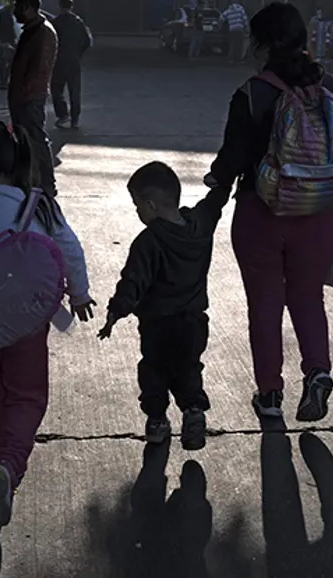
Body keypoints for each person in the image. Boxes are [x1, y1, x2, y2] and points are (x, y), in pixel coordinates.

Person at [205, 2, 333, 422]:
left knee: (265, 304)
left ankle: (269, 395)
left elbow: (232, 159)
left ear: (261, 44)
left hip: (261, 213)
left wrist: (215, 182)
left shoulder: (251, 94)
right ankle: (318, 371)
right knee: (308, 296)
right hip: (320, 216)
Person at [0, 120, 95, 527]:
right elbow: (70, 249)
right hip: (28, 322)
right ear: (17, 159)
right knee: (27, 396)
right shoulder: (37, 205)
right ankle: (9, 466)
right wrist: (79, 294)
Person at [98, 162, 231, 451]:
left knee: (154, 371)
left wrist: (116, 311)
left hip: (157, 325)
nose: (137, 212)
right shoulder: (200, 225)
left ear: (150, 205)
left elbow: (133, 280)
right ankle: (193, 413)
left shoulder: (148, 241)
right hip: (193, 322)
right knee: (189, 369)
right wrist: (224, 181)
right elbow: (214, 204)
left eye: (137, 205)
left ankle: (157, 421)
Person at [10, 0, 59, 197]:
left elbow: (38, 69)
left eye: (17, 7)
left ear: (27, 8)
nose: (14, 12)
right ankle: (31, 180)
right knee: (26, 140)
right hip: (23, 96)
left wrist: (22, 93)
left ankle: (46, 183)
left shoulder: (43, 32)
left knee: (36, 139)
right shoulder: (32, 30)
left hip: (30, 97)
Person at [51, 0, 93, 129]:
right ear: (72, 6)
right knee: (74, 91)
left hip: (59, 61)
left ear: (59, 6)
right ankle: (75, 119)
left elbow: (50, 41)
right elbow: (87, 41)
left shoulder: (55, 22)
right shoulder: (78, 22)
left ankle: (62, 114)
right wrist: (78, 52)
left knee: (56, 89)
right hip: (74, 60)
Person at [0, 1, 18, 90]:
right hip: (7, 41)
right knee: (8, 62)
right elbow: (8, 30)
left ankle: (3, 82)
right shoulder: (7, 16)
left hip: (4, 41)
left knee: (4, 62)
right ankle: (4, 82)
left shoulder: (4, 14)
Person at [221, 0, 249, 64]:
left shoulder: (228, 10)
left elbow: (221, 18)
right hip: (239, 29)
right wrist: (247, 27)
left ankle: (231, 59)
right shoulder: (240, 8)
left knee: (232, 45)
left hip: (232, 29)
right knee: (239, 45)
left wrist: (219, 25)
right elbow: (244, 19)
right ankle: (238, 60)